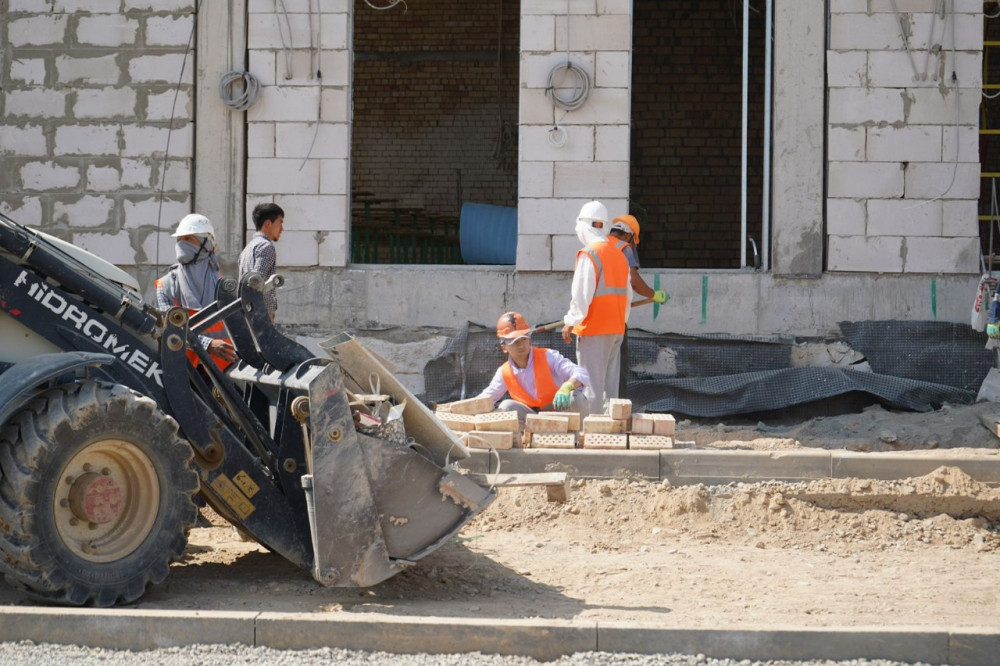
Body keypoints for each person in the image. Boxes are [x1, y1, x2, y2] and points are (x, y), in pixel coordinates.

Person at [560, 201, 632, 415]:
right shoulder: (619, 255)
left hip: (594, 330)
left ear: (583, 225)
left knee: (591, 385)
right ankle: (611, 431)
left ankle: (593, 434)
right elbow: (628, 296)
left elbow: (582, 295)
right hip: (617, 328)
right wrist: (621, 322)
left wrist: (570, 321)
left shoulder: (590, 254)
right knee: (610, 388)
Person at [478, 311, 590, 425]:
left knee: (576, 398)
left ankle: (577, 439)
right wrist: (463, 412)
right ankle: (523, 442)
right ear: (504, 347)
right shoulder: (504, 372)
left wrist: (568, 386)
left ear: (529, 340)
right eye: (514, 342)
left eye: (523, 339)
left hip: (560, 411)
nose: (521, 345)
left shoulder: (548, 356)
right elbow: (487, 398)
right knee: (506, 407)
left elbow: (581, 373)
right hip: (531, 418)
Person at [155, 213, 236, 369]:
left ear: (206, 244)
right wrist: (207, 344)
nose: (181, 245)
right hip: (184, 370)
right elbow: (170, 331)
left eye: (188, 239)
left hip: (223, 370)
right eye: (179, 240)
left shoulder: (224, 286)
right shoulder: (166, 286)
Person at [608, 215, 669, 397]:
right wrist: (653, 294)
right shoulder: (623, 248)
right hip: (615, 320)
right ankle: (616, 407)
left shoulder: (597, 245)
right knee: (616, 368)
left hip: (594, 318)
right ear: (628, 236)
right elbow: (634, 282)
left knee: (595, 371)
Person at [238, 202, 284, 322]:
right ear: (268, 223)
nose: (282, 229)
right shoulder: (266, 247)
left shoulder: (248, 248)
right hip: (259, 315)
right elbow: (257, 284)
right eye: (280, 222)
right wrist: (267, 314)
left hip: (247, 312)